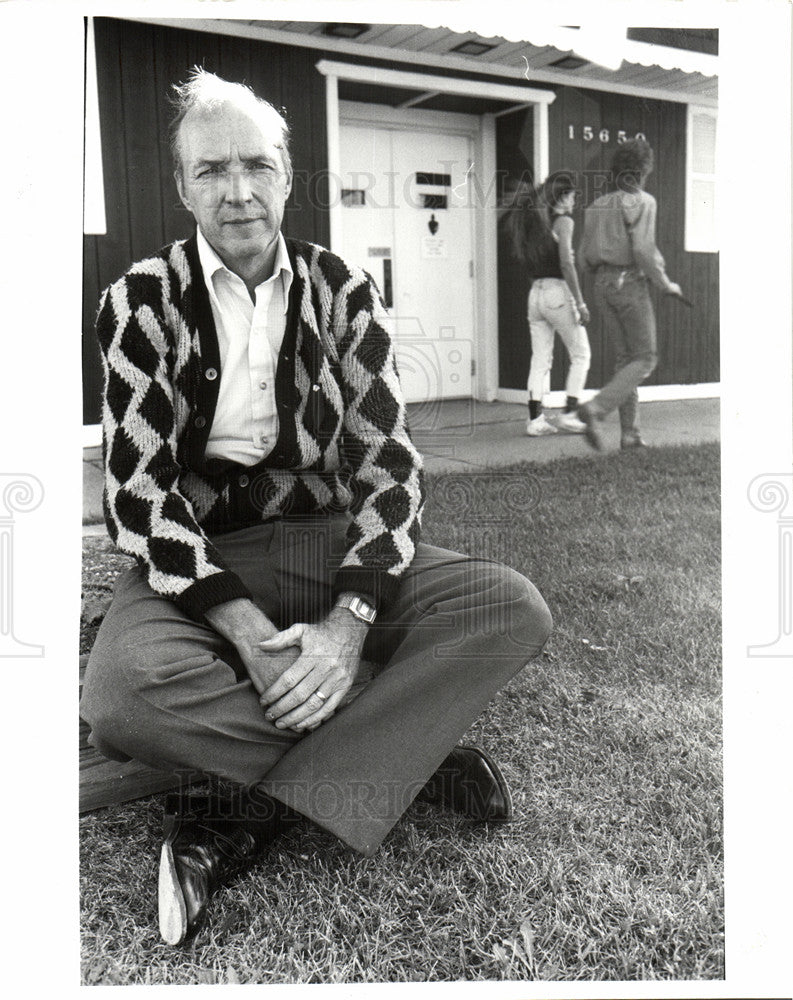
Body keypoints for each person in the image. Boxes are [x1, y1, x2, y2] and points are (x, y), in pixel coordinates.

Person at [80, 69, 553, 947]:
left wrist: (350, 619)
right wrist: (253, 639)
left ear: (287, 177)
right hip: (207, 562)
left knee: (508, 607)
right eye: (212, 170)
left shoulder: (344, 291)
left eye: (256, 166)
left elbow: (391, 466)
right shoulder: (138, 302)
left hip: (328, 547)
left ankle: (239, 817)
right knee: (123, 698)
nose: (237, 191)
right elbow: (139, 495)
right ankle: (404, 763)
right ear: (183, 186)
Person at [577, 138, 683, 450]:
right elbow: (642, 250)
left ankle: (630, 435)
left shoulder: (596, 206)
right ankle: (596, 409)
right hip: (629, 285)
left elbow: (583, 257)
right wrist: (665, 285)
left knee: (626, 360)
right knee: (645, 358)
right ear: (643, 169)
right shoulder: (643, 202)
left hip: (602, 286)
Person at [503, 172, 591, 437]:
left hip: (536, 293)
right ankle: (570, 415)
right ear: (563, 197)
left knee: (539, 360)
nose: (575, 200)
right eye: (573, 195)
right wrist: (580, 302)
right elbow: (566, 263)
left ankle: (535, 420)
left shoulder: (535, 223)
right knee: (581, 354)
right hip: (556, 293)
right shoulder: (563, 222)